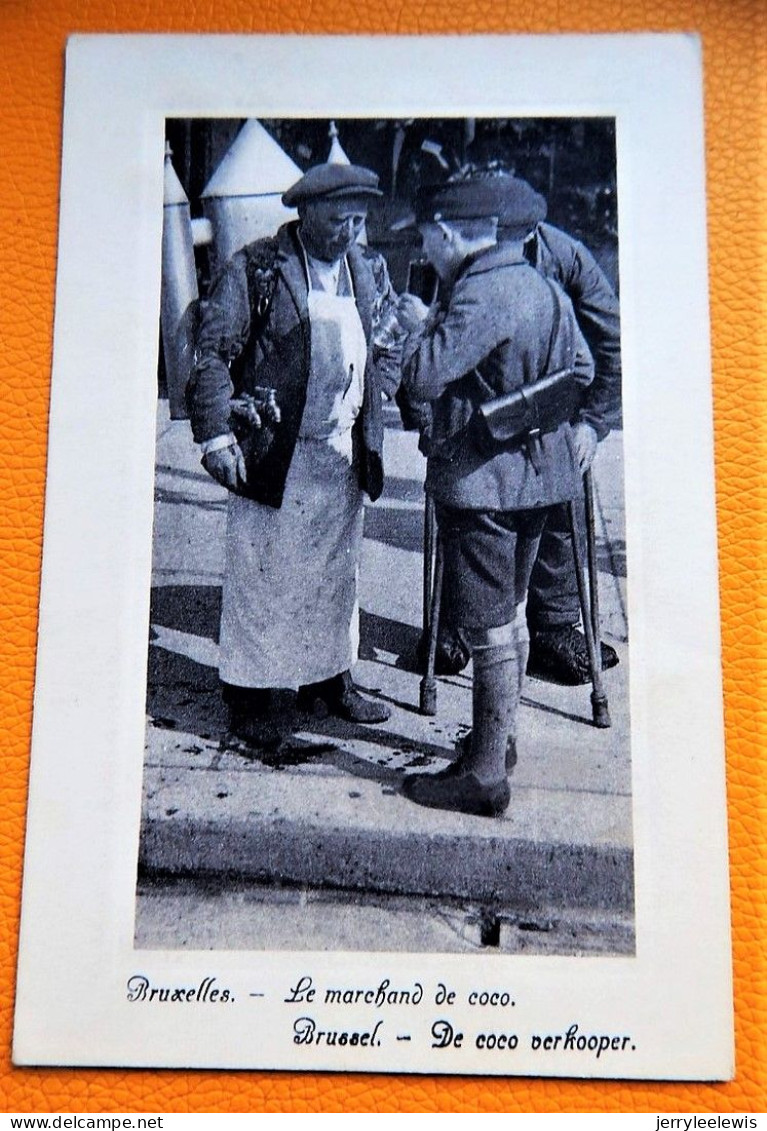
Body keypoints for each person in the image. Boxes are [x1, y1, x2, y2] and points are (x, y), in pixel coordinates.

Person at [397, 176, 595, 816]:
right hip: (539, 482)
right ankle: (498, 742)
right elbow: (583, 373)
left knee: (484, 624)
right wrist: (528, 416)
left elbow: (423, 378)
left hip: (483, 485)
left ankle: (483, 777)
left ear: (451, 233)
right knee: (510, 612)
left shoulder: (478, 292)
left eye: (427, 237)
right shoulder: (541, 284)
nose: (425, 250)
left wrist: (416, 326)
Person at [187, 161, 402, 751]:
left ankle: (330, 680)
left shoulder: (367, 267)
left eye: (358, 220)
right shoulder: (256, 268)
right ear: (305, 214)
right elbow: (212, 355)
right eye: (337, 220)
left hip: (342, 451)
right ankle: (252, 697)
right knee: (264, 579)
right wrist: (216, 437)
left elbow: (388, 344)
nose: (348, 232)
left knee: (338, 576)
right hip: (275, 450)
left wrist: (388, 400)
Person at [425, 175, 622, 685]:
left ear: (527, 235)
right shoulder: (455, 260)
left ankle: (554, 627)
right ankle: (454, 623)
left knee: (557, 501)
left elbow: (610, 345)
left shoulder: (567, 258)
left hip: (555, 412)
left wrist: (593, 424)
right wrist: (434, 426)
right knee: (470, 507)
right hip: (476, 424)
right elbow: (430, 360)